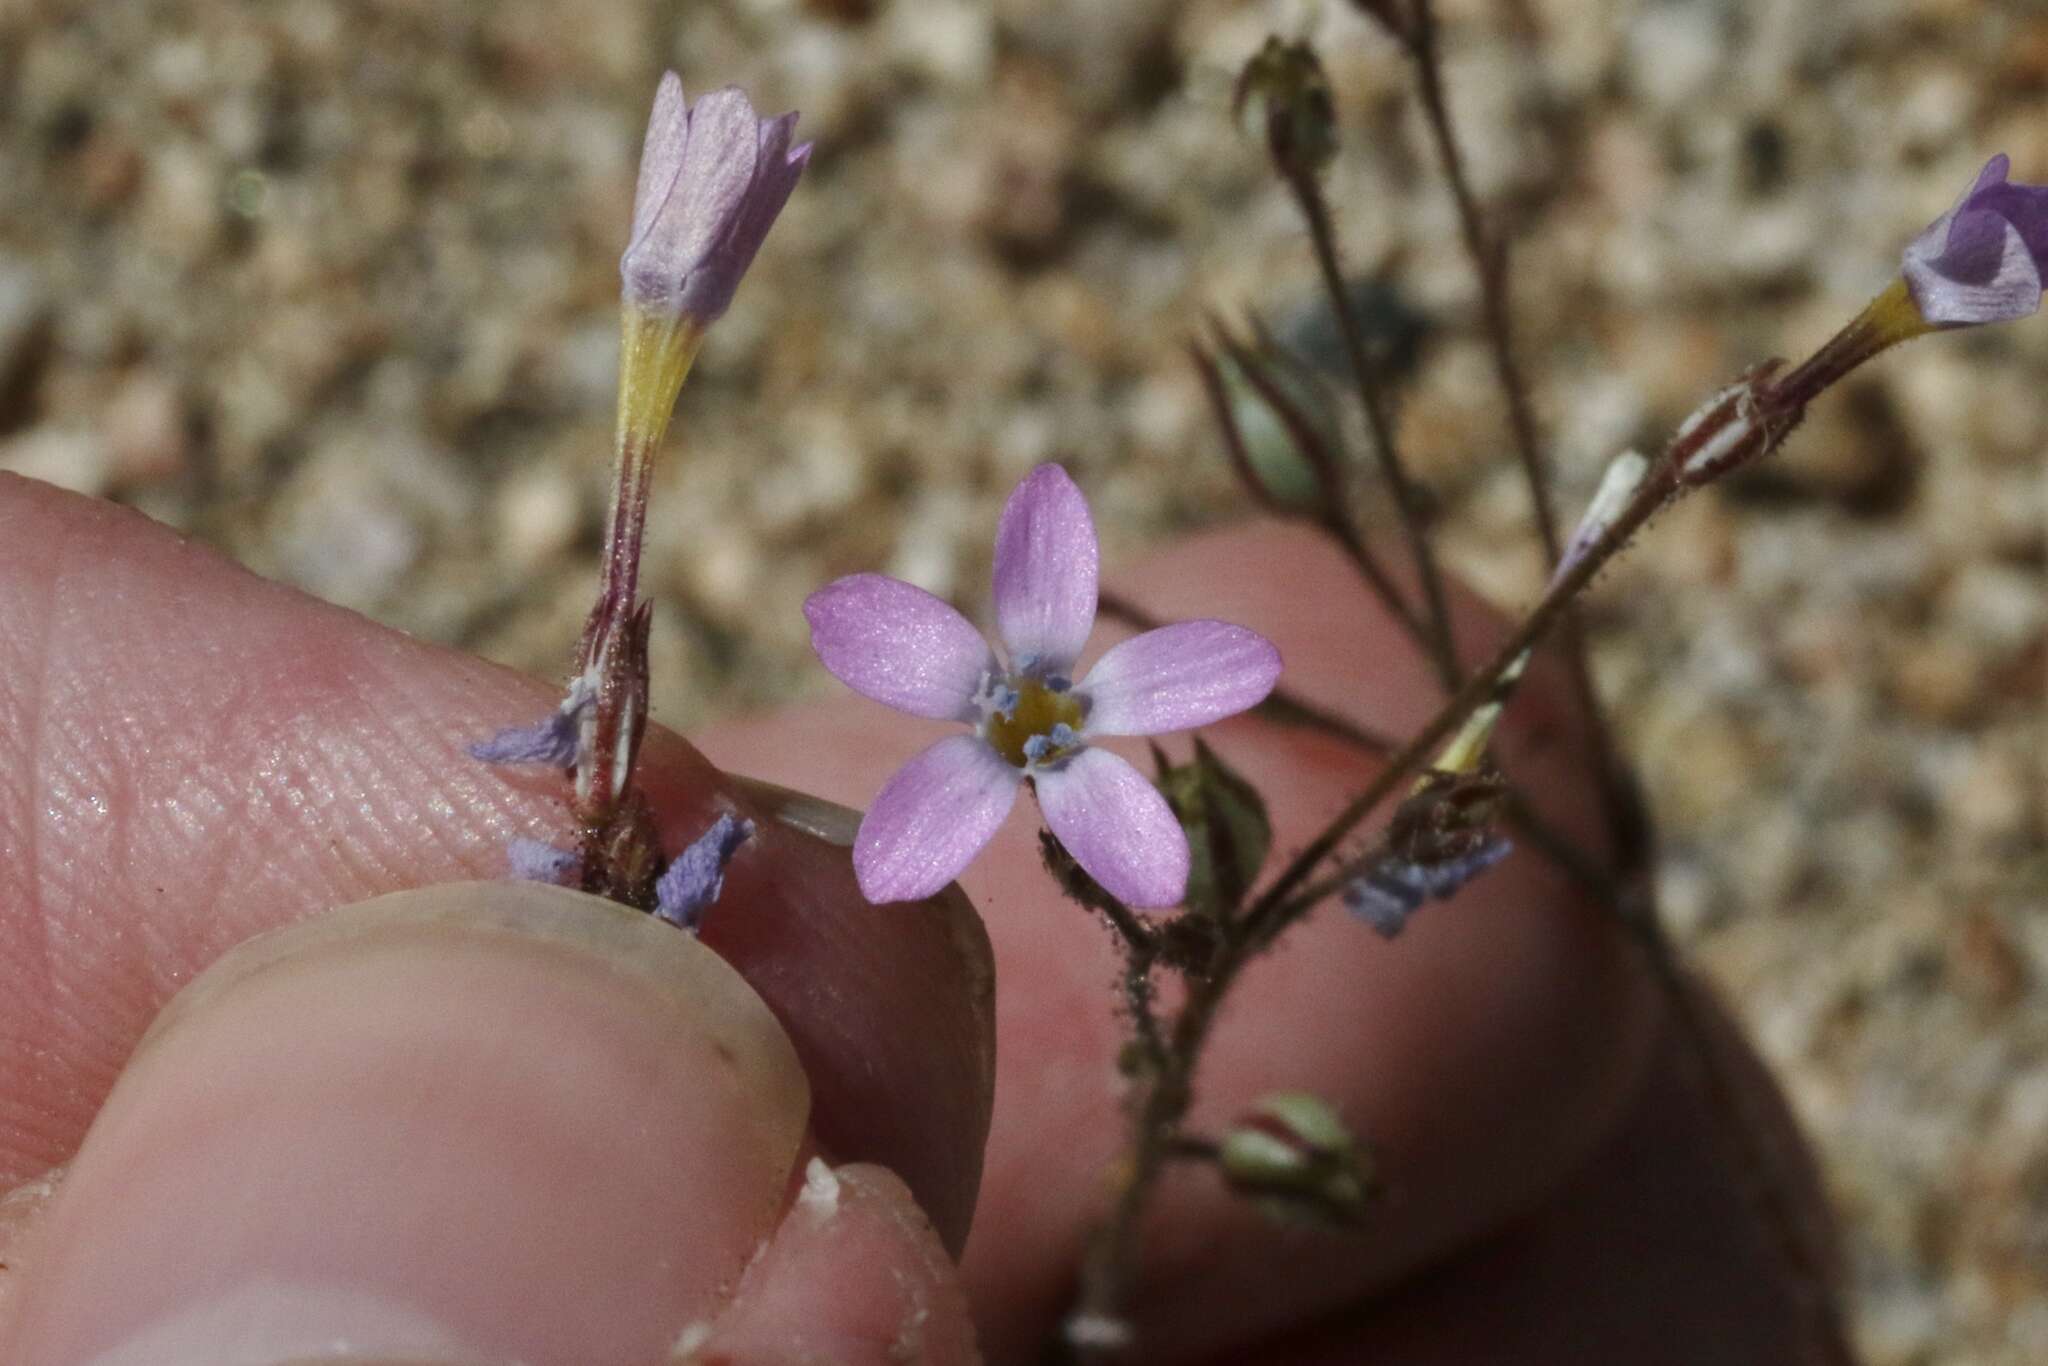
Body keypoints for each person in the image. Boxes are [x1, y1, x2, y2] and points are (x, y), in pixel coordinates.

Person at [0, 473, 1839, 1363]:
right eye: (1025, 714)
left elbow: (1122, 784)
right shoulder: (972, 744)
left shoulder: (1085, 750)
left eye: (1053, 712)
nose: (1036, 719)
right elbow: (908, 841)